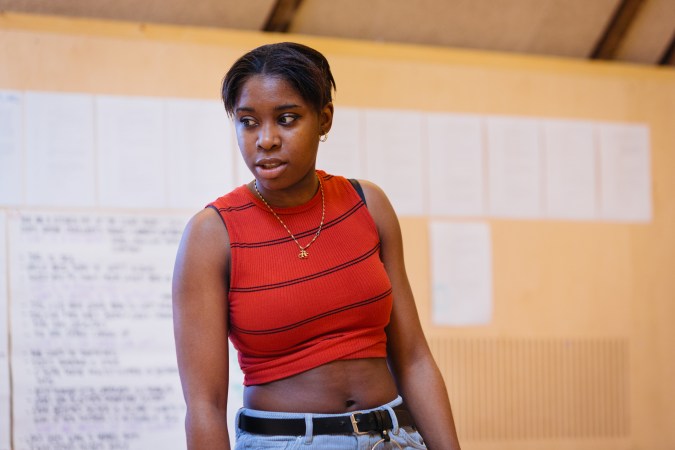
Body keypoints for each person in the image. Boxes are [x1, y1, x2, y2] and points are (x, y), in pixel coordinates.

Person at [172, 41, 461, 450]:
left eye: (286, 119)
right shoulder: (212, 233)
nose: (266, 139)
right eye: (248, 122)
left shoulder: (367, 204)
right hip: (286, 441)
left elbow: (414, 359)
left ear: (324, 119)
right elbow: (205, 405)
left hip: (394, 435)